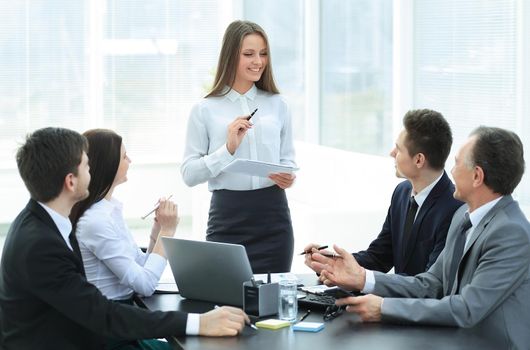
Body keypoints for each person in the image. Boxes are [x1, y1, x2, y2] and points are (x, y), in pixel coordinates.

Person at [0, 127, 249, 350]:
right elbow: (102, 315)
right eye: (87, 166)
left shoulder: (44, 223)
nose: (92, 170)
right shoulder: (40, 245)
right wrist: (199, 323)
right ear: (70, 181)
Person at [311, 126, 530, 349]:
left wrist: (384, 307)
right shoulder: (462, 216)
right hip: (455, 338)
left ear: (477, 176)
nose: (451, 171)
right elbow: (431, 284)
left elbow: (467, 309)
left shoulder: (511, 232)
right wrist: (362, 278)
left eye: (456, 163)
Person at [181, 20, 296, 273]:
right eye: (249, 54)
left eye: (263, 53)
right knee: (228, 304)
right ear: (231, 55)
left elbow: (288, 159)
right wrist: (227, 150)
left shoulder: (279, 104)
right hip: (228, 219)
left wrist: (288, 176)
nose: (258, 61)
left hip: (273, 218)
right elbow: (189, 175)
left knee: (271, 303)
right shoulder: (205, 109)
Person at [305, 109, 463, 276]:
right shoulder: (402, 192)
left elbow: (431, 284)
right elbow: (379, 257)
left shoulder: (455, 208)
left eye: (398, 149)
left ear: (419, 160)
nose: (392, 153)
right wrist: (330, 261)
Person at [69, 129, 177, 349]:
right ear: (109, 164)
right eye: (124, 156)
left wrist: (157, 229)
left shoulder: (109, 210)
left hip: (122, 321)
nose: (130, 160)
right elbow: (145, 284)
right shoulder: (95, 221)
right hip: (108, 332)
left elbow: (140, 266)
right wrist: (167, 231)